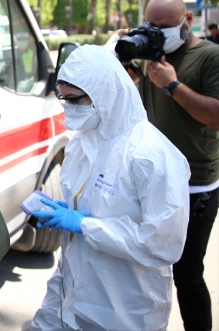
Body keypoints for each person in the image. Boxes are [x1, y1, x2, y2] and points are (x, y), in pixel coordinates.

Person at [30, 44, 190, 331]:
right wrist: (73, 212)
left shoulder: (151, 156)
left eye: (75, 100)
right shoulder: (81, 143)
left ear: (106, 94)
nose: (67, 108)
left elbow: (163, 244)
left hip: (127, 307)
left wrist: (86, 225)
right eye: (63, 99)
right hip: (73, 293)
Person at [124, 0, 219, 331]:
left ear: (187, 21)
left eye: (165, 27)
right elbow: (120, 83)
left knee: (188, 275)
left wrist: (172, 85)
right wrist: (123, 51)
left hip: (196, 187)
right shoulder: (151, 54)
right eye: (152, 26)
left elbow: (216, 117)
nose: (158, 33)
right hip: (151, 182)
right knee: (147, 266)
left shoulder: (209, 56)